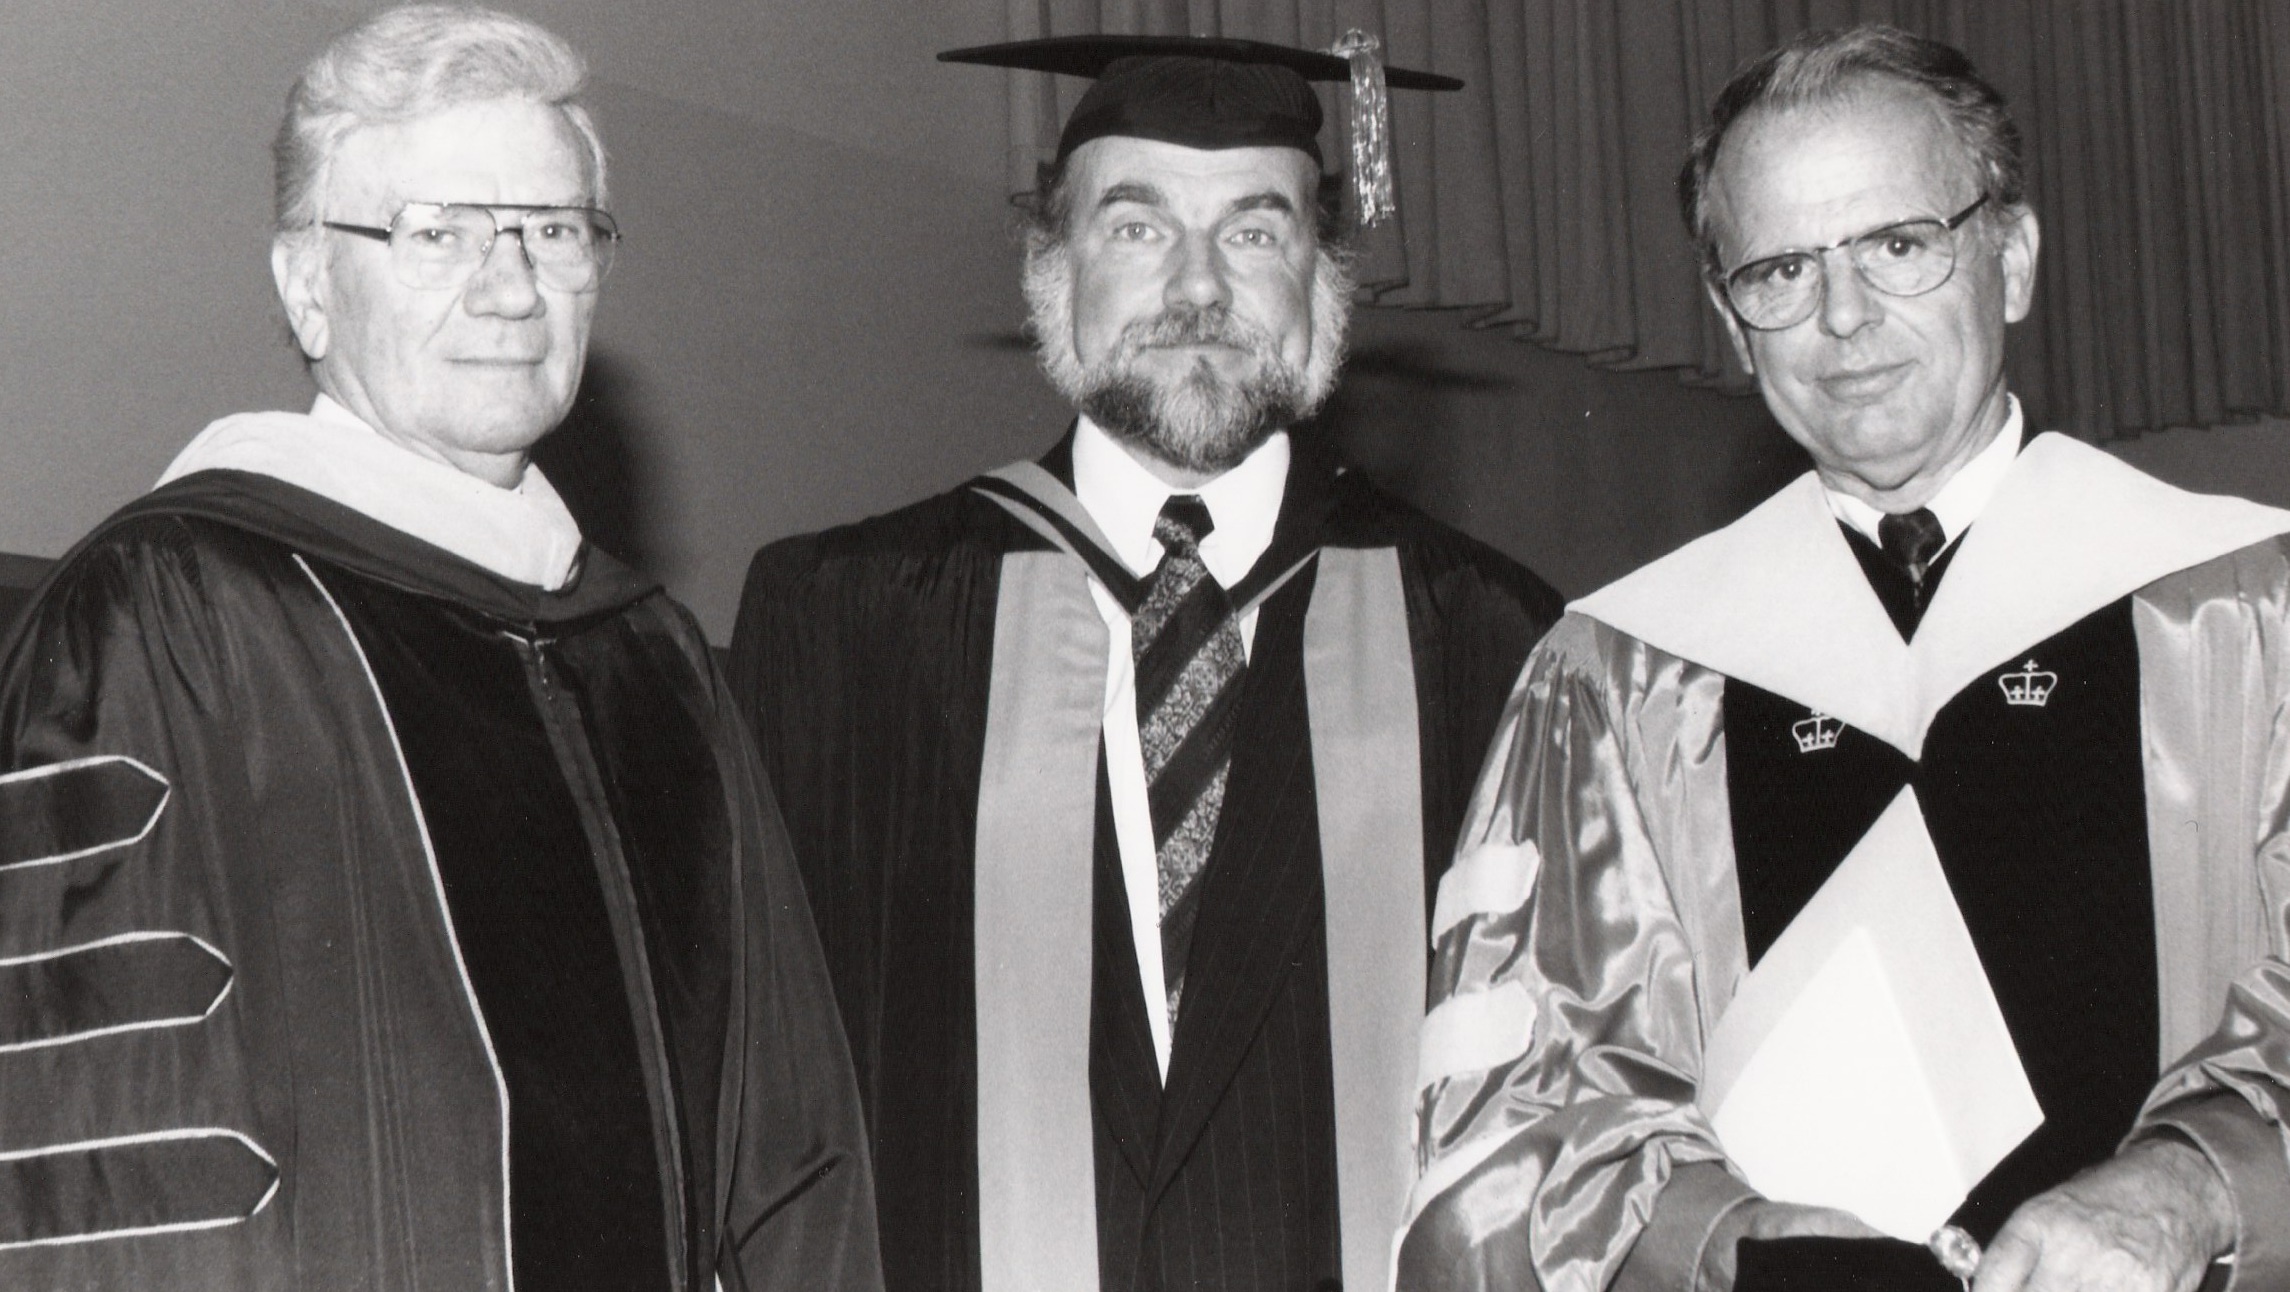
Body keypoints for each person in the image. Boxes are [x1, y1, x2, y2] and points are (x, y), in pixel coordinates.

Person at [1400, 22, 2290, 1292]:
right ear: (1728, 316)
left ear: (2013, 258)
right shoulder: (1621, 674)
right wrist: (1723, 1237)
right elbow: (1525, 1107)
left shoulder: (2247, 607)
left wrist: (2192, 1187)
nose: (1843, 316)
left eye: (1899, 244)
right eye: (1778, 269)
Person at [0, 7, 880, 1289]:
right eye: (437, 233)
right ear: (307, 285)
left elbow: (790, 1146)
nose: (510, 285)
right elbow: (98, 1155)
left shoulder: (654, 658)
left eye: (552, 232)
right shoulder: (167, 615)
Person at [728, 34, 1562, 1292]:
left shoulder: (1485, 630)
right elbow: (772, 1104)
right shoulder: (847, 618)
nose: (1195, 285)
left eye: (1253, 231)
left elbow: (1539, 1100)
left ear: (1324, 283)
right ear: (1048, 271)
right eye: (1134, 227)